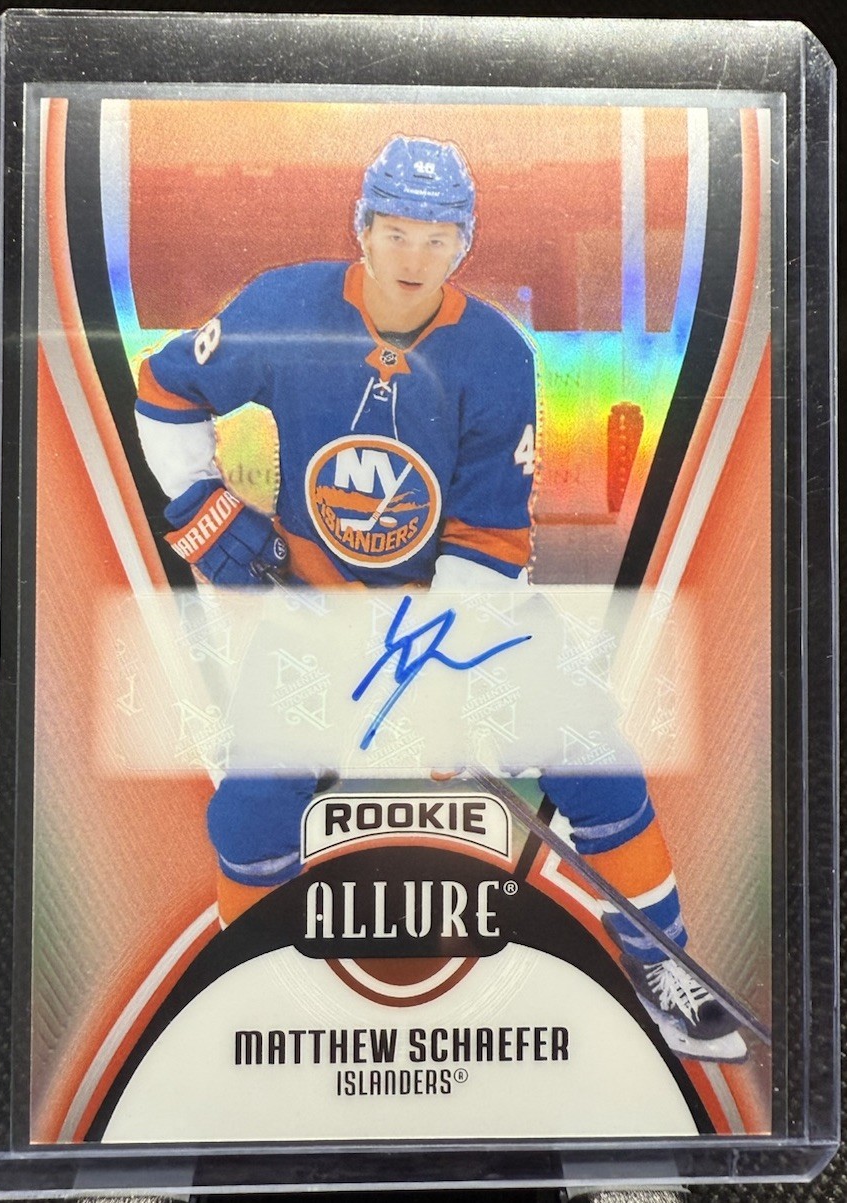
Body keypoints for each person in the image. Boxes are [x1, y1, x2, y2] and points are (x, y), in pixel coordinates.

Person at [134, 135, 745, 1063]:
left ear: (464, 243)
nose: (413, 256)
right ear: (362, 230)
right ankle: (247, 986)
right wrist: (200, 504)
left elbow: (487, 542)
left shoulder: (494, 355)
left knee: (591, 753)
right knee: (251, 809)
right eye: (395, 232)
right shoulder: (285, 307)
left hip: (467, 613)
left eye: (436, 237)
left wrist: (438, 687)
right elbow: (165, 387)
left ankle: (661, 960)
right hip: (314, 610)